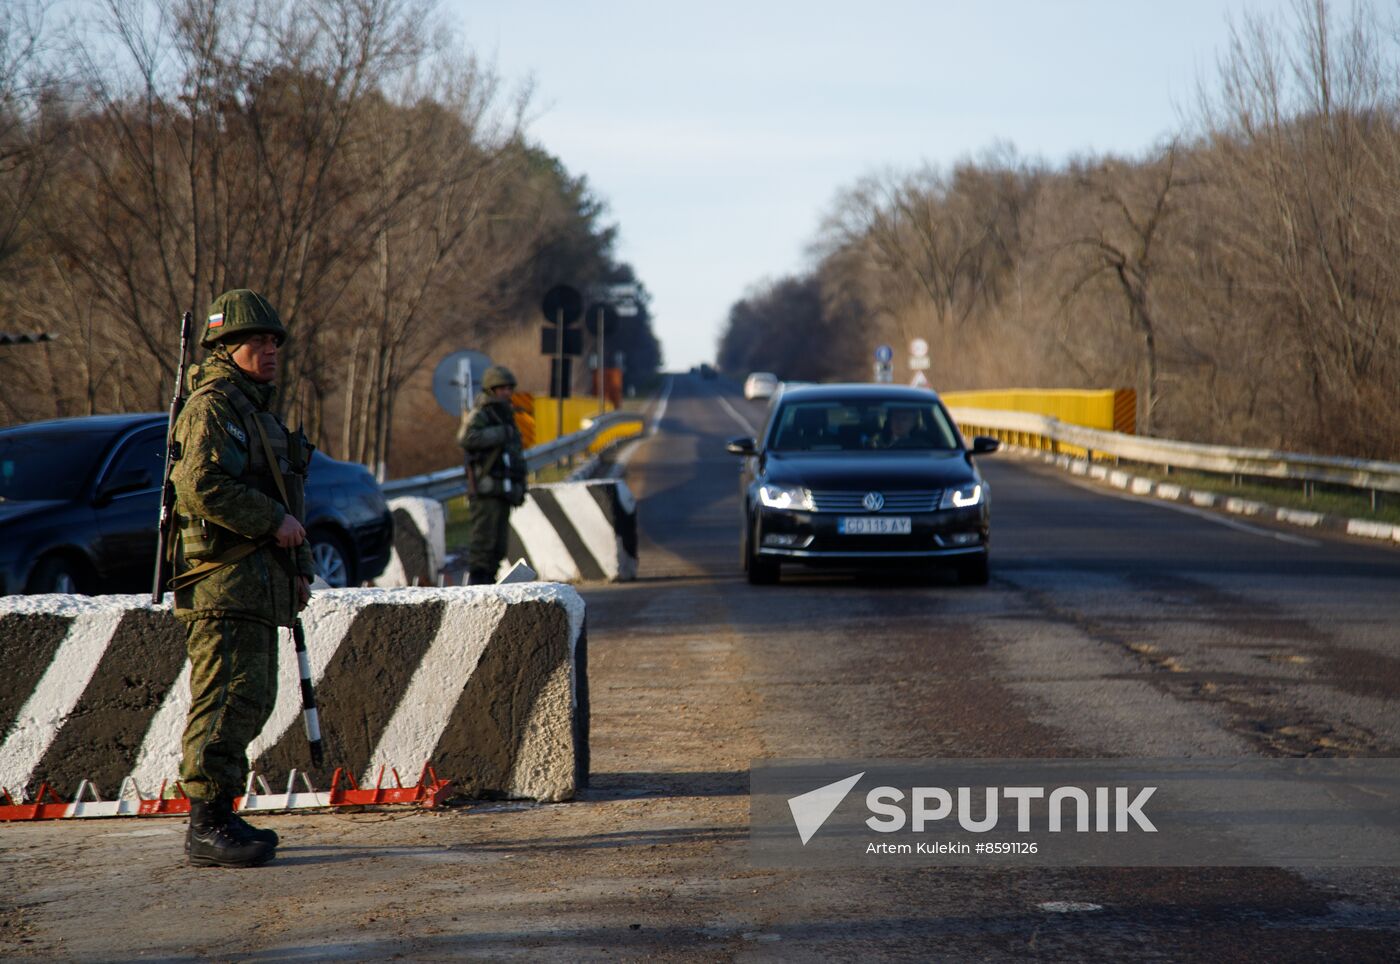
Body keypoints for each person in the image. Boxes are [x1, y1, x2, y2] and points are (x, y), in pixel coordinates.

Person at [169, 288, 315, 868]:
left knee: (250, 699)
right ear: (225, 347)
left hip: (256, 583)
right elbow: (198, 485)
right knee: (224, 699)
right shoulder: (213, 407)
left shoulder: (254, 409)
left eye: (275, 339)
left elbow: (289, 498)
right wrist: (270, 521)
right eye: (257, 339)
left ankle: (222, 812)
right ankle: (205, 823)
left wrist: (298, 570)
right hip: (221, 583)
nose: (270, 348)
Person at [456, 365, 527, 585]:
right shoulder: (483, 412)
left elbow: (514, 454)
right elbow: (466, 438)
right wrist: (500, 433)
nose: (506, 392)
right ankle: (477, 588)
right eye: (501, 388)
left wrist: (519, 485)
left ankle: (489, 584)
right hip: (486, 489)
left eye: (509, 388)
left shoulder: (506, 414)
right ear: (491, 389)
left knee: (498, 547)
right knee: (483, 547)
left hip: (503, 490)